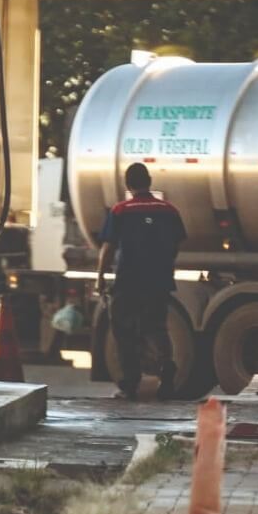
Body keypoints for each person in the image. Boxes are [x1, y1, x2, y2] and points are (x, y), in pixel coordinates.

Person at [95, 162, 187, 401]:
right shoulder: (169, 210)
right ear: (150, 181)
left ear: (128, 184)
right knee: (156, 327)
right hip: (159, 281)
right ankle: (166, 369)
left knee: (124, 331)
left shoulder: (121, 210)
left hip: (129, 281)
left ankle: (130, 384)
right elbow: (177, 243)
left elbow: (108, 247)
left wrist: (101, 276)